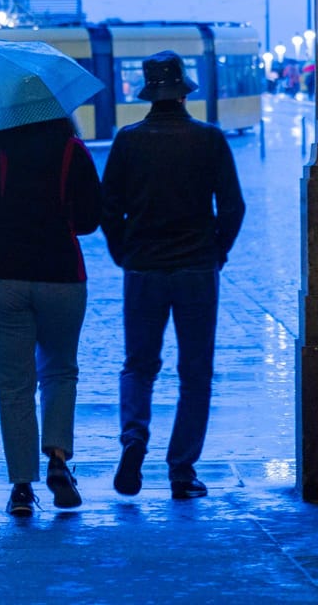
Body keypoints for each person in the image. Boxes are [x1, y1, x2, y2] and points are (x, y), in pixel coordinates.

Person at [101, 51, 245, 500]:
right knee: (195, 371)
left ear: (149, 93)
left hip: (143, 268)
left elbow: (108, 209)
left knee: (138, 365)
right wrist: (215, 252)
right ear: (184, 92)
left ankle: (134, 438)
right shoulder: (209, 139)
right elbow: (233, 207)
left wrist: (124, 252)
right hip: (197, 269)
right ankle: (182, 470)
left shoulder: (128, 140)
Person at [0, 115, 103, 516]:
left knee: (14, 384)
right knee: (59, 371)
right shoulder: (72, 149)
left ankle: (21, 486)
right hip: (62, 275)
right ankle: (57, 460)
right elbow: (90, 221)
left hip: (1, 275)